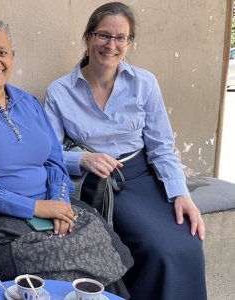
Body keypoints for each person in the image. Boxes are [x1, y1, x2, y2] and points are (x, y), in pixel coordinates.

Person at [0, 16, 131, 299]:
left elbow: (54, 161)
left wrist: (60, 202)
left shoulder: (28, 103)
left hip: (49, 206)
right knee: (52, 254)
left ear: (12, 57)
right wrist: (35, 207)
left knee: (94, 238)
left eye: (2, 53)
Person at [44, 2, 207, 300]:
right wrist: (83, 159)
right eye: (104, 35)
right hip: (96, 186)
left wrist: (181, 194)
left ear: (130, 42)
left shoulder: (144, 83)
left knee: (188, 242)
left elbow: (161, 147)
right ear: (88, 37)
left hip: (142, 176)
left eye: (121, 38)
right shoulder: (60, 91)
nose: (111, 45)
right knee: (157, 246)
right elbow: (49, 153)